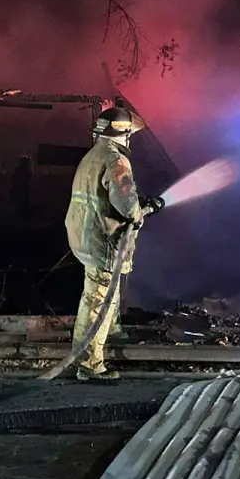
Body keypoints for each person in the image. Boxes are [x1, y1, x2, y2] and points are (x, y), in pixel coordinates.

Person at [65, 106, 161, 381]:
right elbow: (128, 208)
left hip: (85, 237)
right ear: (124, 133)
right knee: (98, 302)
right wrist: (145, 210)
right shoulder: (116, 160)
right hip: (102, 242)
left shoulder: (93, 155)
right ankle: (89, 365)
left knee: (95, 298)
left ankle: (98, 342)